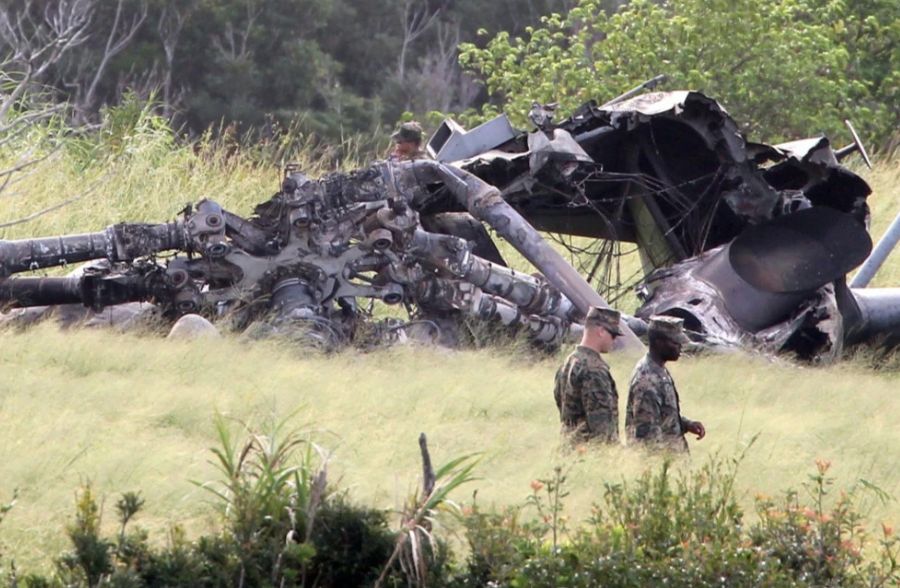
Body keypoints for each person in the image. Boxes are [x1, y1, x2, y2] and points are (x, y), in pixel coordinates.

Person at [625, 316, 705, 452]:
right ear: (659, 343)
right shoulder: (647, 380)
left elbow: (663, 414)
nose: (680, 347)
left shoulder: (658, 370)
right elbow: (647, 439)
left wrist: (686, 424)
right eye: (675, 342)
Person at [553, 306, 622, 444]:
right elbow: (603, 432)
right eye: (613, 335)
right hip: (588, 453)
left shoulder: (568, 362)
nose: (614, 340)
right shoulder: (594, 370)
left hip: (568, 449)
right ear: (601, 331)